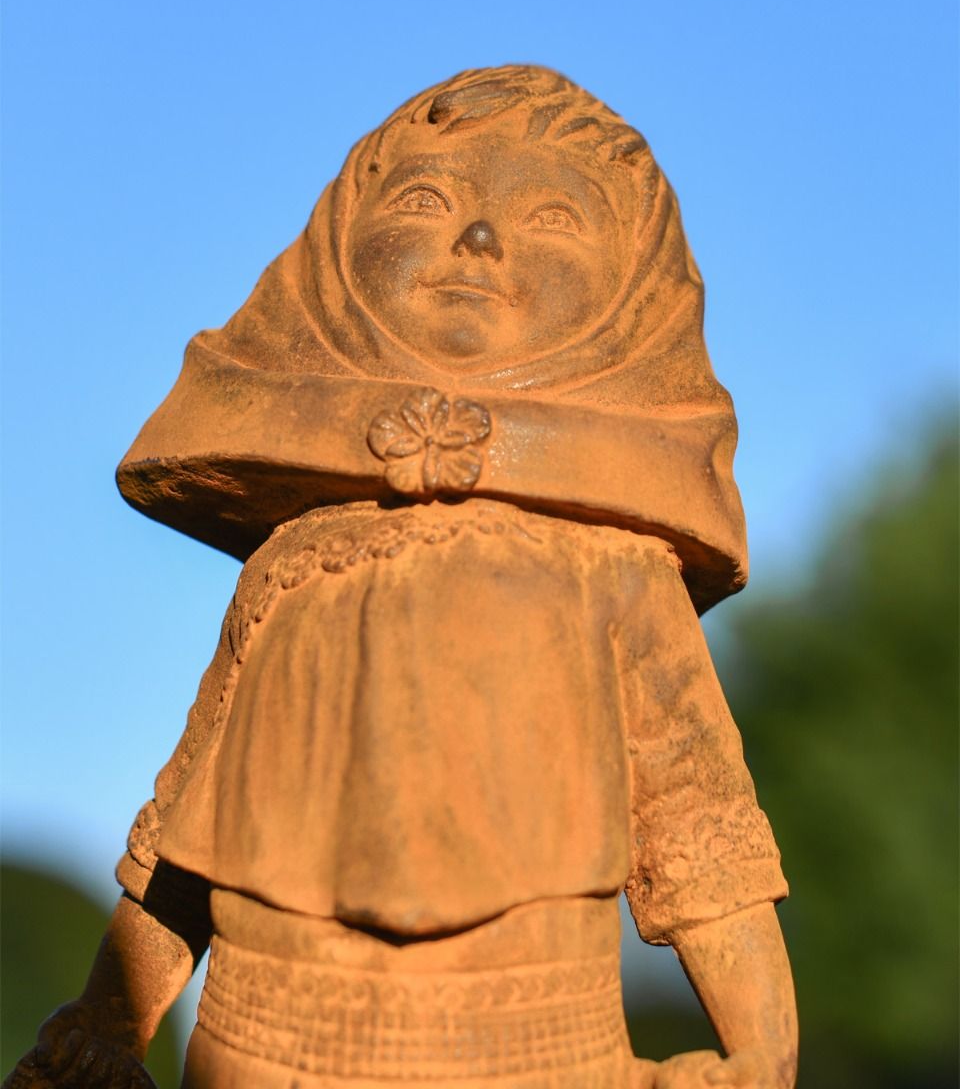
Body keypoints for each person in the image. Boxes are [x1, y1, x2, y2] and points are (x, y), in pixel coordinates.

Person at [7, 67, 797, 1089]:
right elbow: (188, 826)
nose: (480, 239)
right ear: (335, 257)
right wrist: (107, 1024)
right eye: (425, 200)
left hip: (531, 1044)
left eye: (554, 219)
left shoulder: (617, 574)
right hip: (262, 1036)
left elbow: (698, 826)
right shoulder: (293, 562)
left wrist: (760, 1047)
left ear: (631, 299)